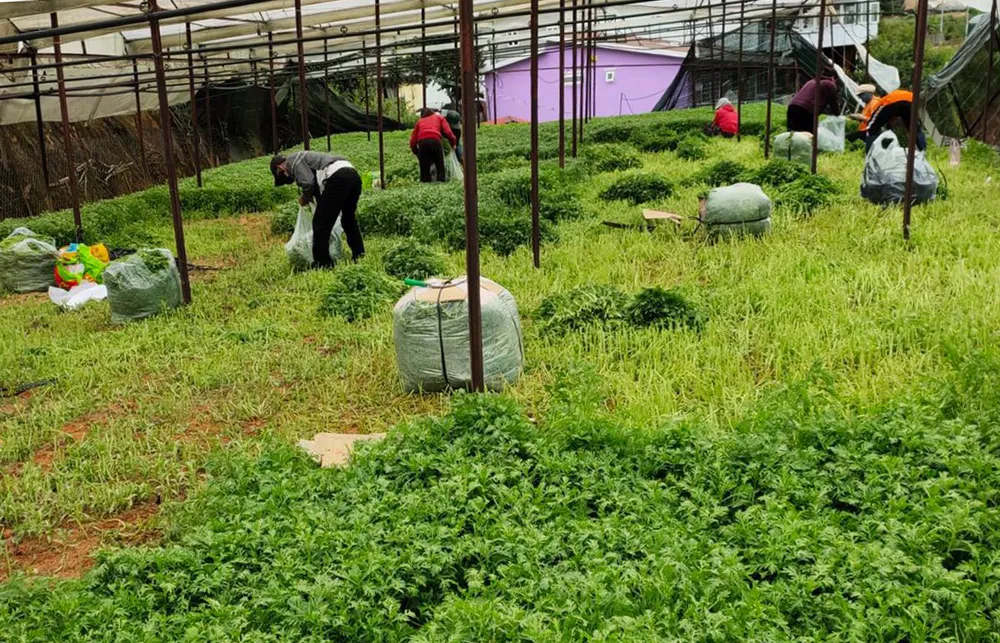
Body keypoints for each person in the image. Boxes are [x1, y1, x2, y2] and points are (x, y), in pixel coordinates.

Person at [271, 151, 364, 268]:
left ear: (280, 169)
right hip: (352, 175)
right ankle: (359, 255)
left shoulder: (293, 161)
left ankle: (323, 263)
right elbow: (319, 189)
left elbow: (308, 183)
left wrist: (305, 197)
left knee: (320, 224)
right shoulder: (305, 158)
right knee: (348, 219)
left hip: (337, 178)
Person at [862, 89, 926, 153]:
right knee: (914, 129)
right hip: (912, 99)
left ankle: (869, 153)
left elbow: (872, 122)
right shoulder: (892, 104)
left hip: (896, 101)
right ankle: (922, 151)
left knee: (871, 128)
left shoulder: (880, 104)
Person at [410, 108, 457, 183]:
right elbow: (448, 132)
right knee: (440, 166)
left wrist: (416, 152)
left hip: (422, 143)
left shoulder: (419, 122)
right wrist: (453, 143)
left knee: (424, 169)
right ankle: (440, 182)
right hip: (435, 141)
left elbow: (412, 141)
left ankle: (426, 185)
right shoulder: (439, 117)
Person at [787, 68, 840, 133]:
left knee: (792, 134)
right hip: (806, 110)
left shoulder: (811, 81)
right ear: (834, 77)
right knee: (809, 136)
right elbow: (834, 103)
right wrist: (838, 116)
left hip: (792, 107)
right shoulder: (830, 84)